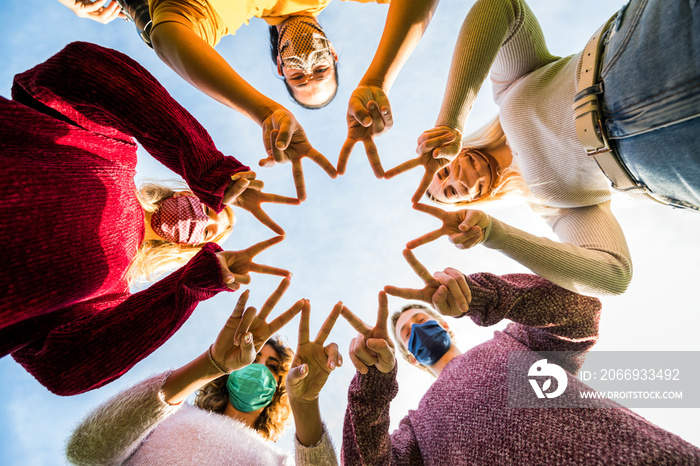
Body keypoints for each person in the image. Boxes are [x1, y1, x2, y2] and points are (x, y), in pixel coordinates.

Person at [0, 41, 294, 396]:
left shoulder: (110, 297)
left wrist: (191, 286)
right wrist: (209, 166)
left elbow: (65, 370)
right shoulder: (114, 153)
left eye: (212, 235)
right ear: (191, 192)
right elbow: (73, 69)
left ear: (190, 252)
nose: (209, 223)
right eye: (215, 209)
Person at [384, 0, 700, 297]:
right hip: (674, 160)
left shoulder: (509, 87)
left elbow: (501, 8)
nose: (455, 179)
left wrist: (449, 122)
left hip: (643, 53)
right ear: (468, 201)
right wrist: (494, 234)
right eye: (451, 192)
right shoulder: (551, 206)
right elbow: (614, 276)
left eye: (443, 171)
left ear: (457, 151)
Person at [339, 255, 700, 464]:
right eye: (406, 336)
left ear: (445, 325)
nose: (416, 332)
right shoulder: (416, 428)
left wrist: (483, 296)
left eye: (421, 321)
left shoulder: (515, 343)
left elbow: (580, 310)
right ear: (411, 360)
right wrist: (371, 386)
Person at [66, 281, 342, 465]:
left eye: (271, 367)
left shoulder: (275, 460)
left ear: (279, 389)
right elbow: (85, 452)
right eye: (254, 358)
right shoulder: (171, 415)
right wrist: (209, 364)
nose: (259, 369)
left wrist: (306, 406)